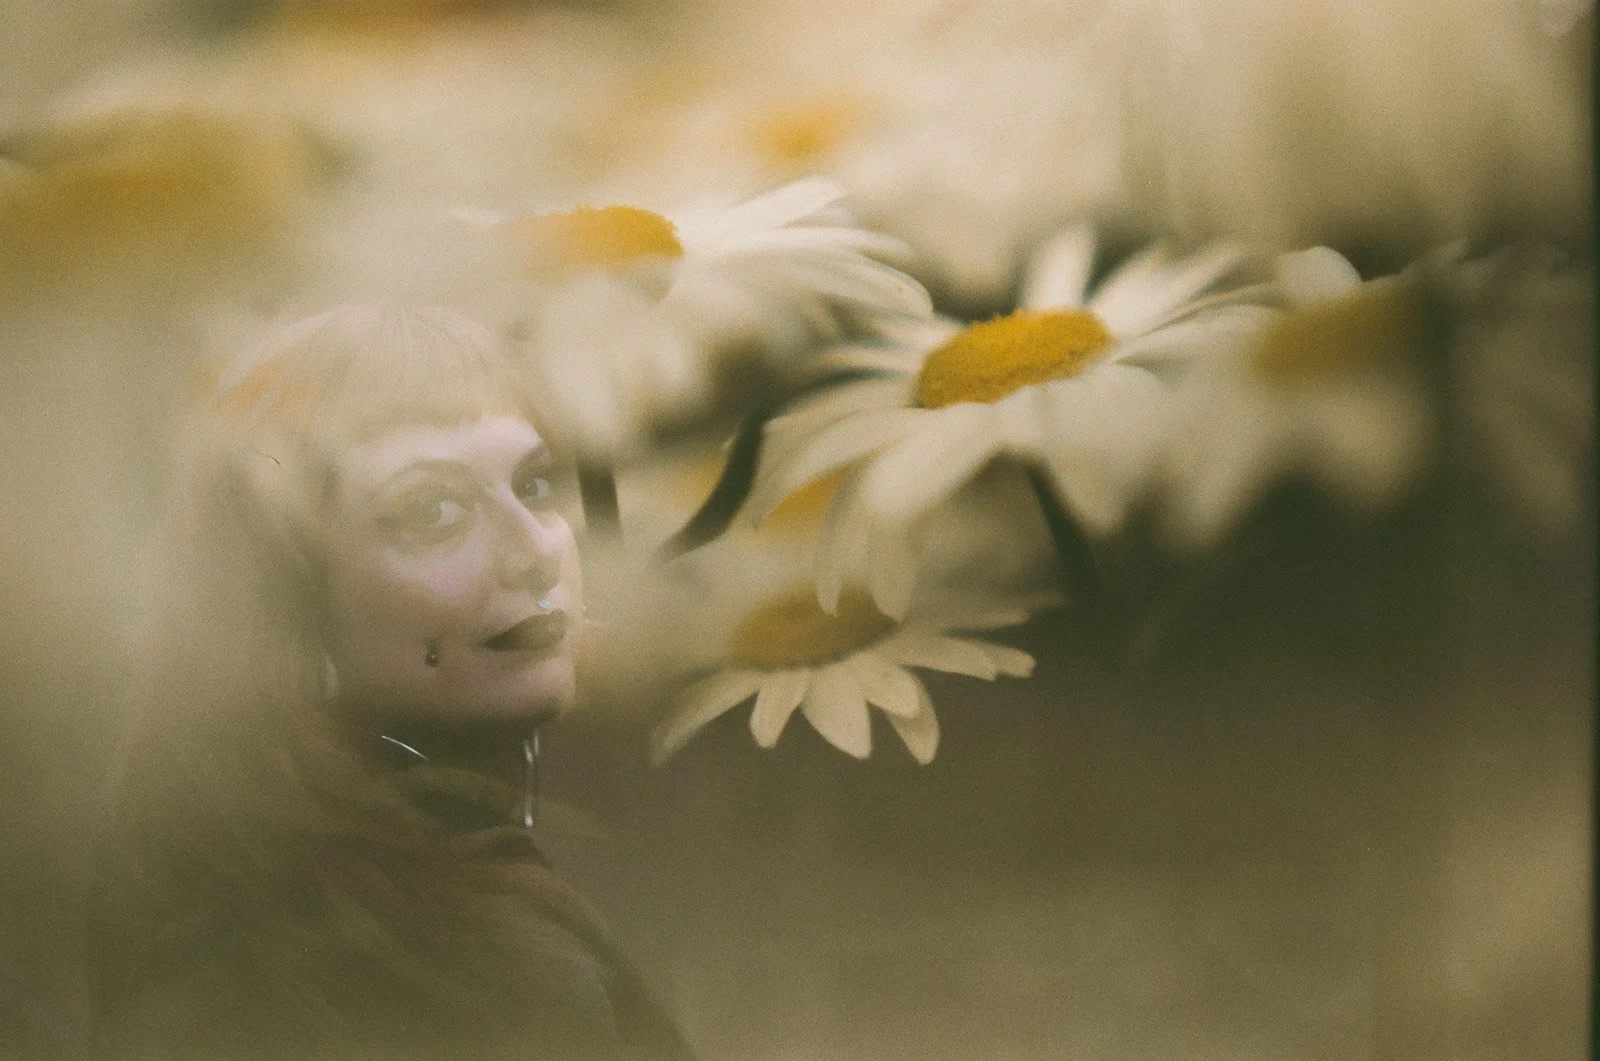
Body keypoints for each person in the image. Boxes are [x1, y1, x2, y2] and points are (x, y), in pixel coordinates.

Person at [87, 305, 692, 1061]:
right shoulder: (423, 977)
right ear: (288, 602)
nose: (534, 549)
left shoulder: (302, 908)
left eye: (534, 484)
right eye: (432, 508)